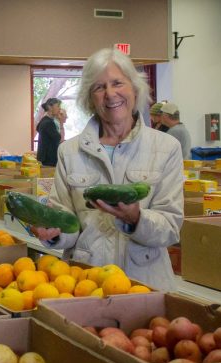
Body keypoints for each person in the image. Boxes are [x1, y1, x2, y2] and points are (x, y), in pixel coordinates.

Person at [31, 48, 183, 291]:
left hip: (144, 285)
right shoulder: (69, 152)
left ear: (134, 88)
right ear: (90, 99)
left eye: (117, 83)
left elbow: (171, 228)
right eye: (99, 87)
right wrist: (54, 231)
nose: (110, 94)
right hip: (85, 283)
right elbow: (67, 221)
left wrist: (137, 219)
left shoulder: (166, 148)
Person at [36, 98, 62, 166]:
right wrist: (61, 122)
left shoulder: (44, 120)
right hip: (49, 161)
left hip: (45, 159)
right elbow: (59, 138)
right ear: (50, 107)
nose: (60, 109)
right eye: (58, 106)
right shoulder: (48, 123)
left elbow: (37, 128)